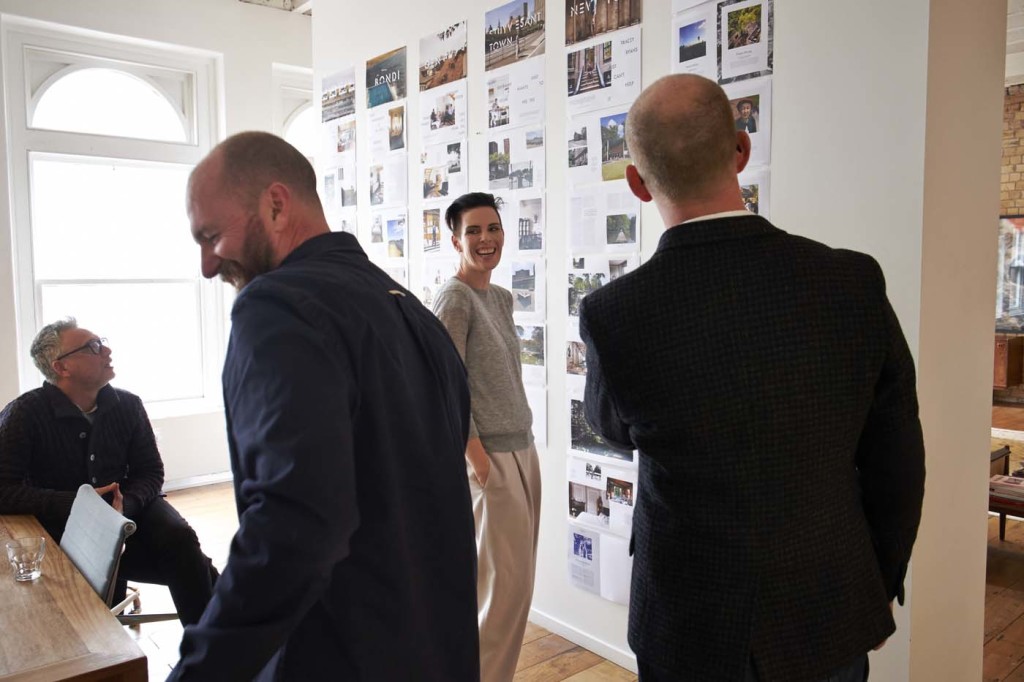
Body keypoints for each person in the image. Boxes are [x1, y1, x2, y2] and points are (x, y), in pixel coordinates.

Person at [579, 74, 925, 682]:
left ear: (637, 182)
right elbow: (898, 459)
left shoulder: (614, 313)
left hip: (688, 616)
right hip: (829, 605)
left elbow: (614, 430)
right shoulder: (851, 283)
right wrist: (877, 576)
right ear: (740, 151)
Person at [169, 132, 479, 681]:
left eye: (211, 236)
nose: (207, 265)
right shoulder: (410, 311)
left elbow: (293, 528)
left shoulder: (276, 308)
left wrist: (199, 672)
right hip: (437, 652)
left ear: (276, 204)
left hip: (339, 656)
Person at [0, 318, 218, 626]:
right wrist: (80, 505)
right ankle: (224, 636)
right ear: (61, 367)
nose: (107, 350)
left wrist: (123, 506)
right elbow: (4, 489)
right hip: (65, 526)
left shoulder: (128, 405)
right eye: (93, 347)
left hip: (130, 510)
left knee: (180, 538)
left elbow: (150, 473)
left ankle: (209, 650)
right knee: (193, 569)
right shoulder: (24, 413)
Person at [432, 192, 541, 682]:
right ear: (454, 240)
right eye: (473, 231)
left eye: (492, 228)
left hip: (521, 447)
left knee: (513, 590)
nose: (485, 239)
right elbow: (444, 382)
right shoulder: (454, 298)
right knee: (501, 595)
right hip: (489, 454)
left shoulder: (498, 296)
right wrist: (474, 453)